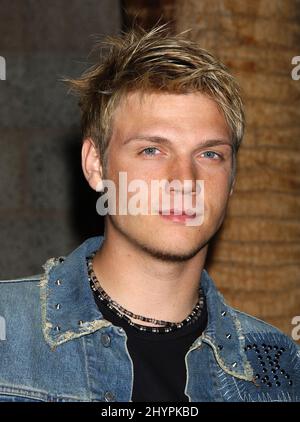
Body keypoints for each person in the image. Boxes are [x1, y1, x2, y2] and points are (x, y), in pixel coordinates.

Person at [0, 25, 299, 403]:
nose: (185, 180)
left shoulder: (278, 368)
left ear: (232, 180)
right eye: (152, 151)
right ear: (96, 166)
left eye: (210, 154)